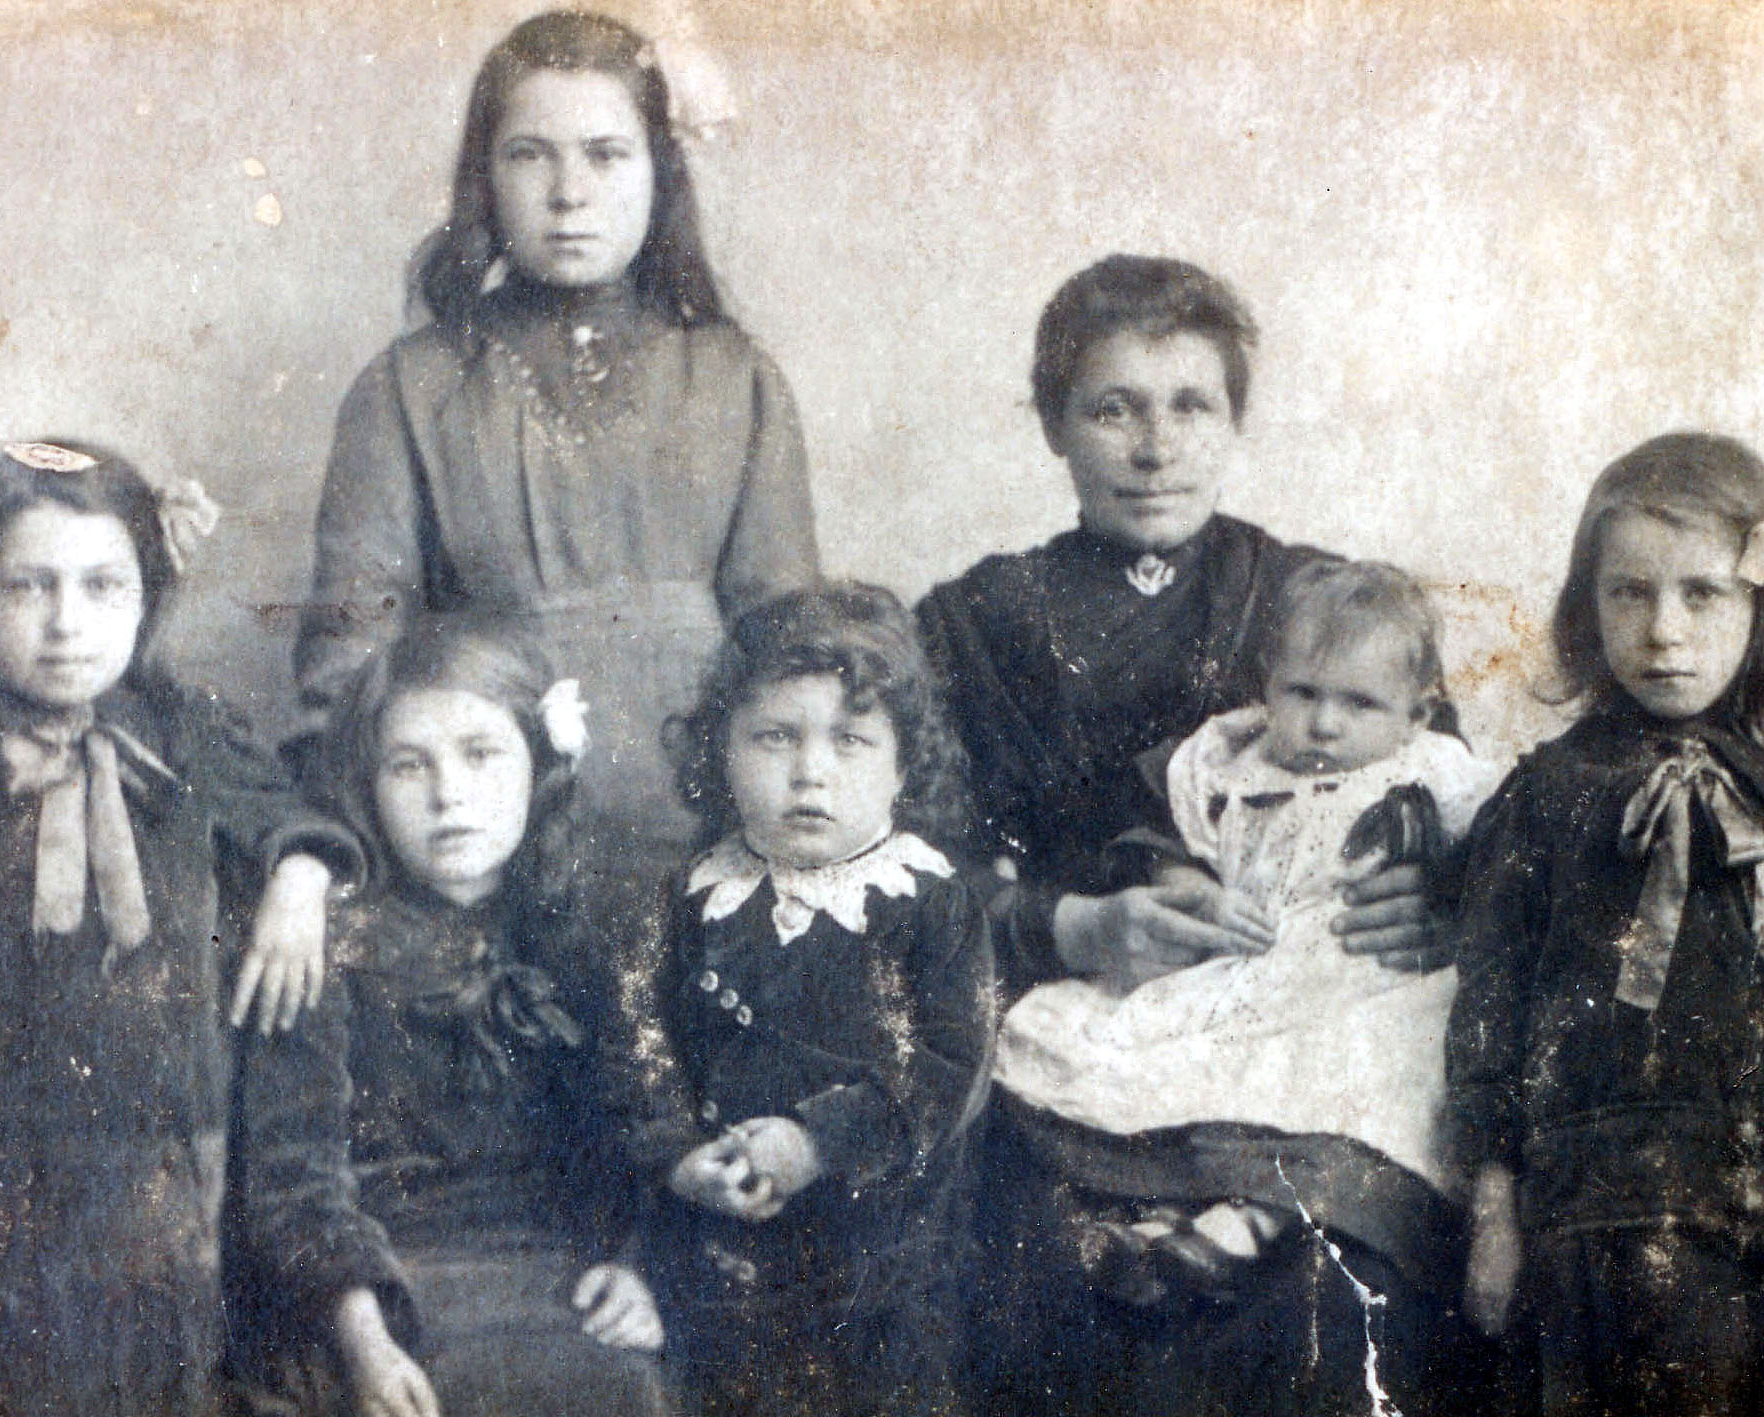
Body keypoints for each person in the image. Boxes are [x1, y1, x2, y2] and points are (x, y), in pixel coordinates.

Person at [0, 440, 360, 1417]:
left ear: (147, 591)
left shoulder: (187, 738)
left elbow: (286, 810)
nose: (67, 622)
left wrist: (300, 868)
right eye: (28, 585)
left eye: (102, 585)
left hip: (156, 1229)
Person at [293, 9, 819, 946]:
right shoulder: (407, 389)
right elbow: (350, 671)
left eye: (606, 155)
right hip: (488, 872)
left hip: (716, 855)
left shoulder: (735, 378)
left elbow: (791, 644)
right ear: (484, 179)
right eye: (529, 156)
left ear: (659, 173)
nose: (569, 193)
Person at [1448, 432, 1764, 1415]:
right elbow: (1489, 1012)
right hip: (1591, 1238)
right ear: (1588, 604)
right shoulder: (1546, 797)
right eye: (1629, 592)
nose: (1663, 630)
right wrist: (1493, 1207)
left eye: (1701, 593)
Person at [984, 560, 1502, 1414]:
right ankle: (1166, 1217)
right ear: (1267, 685)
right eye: (1302, 692)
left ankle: (1251, 1217)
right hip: (1241, 972)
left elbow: (1503, 853)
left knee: (1361, 1087)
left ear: (1417, 713)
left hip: (1358, 985)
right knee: (1121, 1052)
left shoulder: (1435, 774)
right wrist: (1184, 881)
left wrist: (1450, 890)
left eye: (1359, 703)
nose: (1323, 722)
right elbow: (1158, 839)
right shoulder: (1227, 761)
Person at [914, 253, 1430, 999]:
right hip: (1059, 995)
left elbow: (1441, 792)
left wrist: (1436, 890)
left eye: (1191, 407)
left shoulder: (1329, 604)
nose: (1155, 451)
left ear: (1234, 420)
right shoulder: (971, 621)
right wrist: (1071, 927)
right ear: (1055, 426)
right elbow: (895, 861)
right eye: (1112, 410)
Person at [232, 618, 672, 1417]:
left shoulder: (589, 923)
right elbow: (293, 1177)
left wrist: (637, 1268)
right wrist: (365, 1343)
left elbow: (643, 1130)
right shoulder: (326, 941)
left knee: (625, 1387)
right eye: (409, 765)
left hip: (564, 1273)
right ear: (367, 784)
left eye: (481, 753)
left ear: (538, 762)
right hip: (378, 1290)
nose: (448, 795)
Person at [613, 584, 993, 1416]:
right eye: (775, 736)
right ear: (720, 750)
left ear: (904, 765)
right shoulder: (689, 895)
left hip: (883, 1256)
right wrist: (678, 1154)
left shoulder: (929, 900)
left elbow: (950, 1066)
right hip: (720, 1240)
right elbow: (639, 1044)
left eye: (850, 740)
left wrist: (817, 1140)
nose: (809, 770)